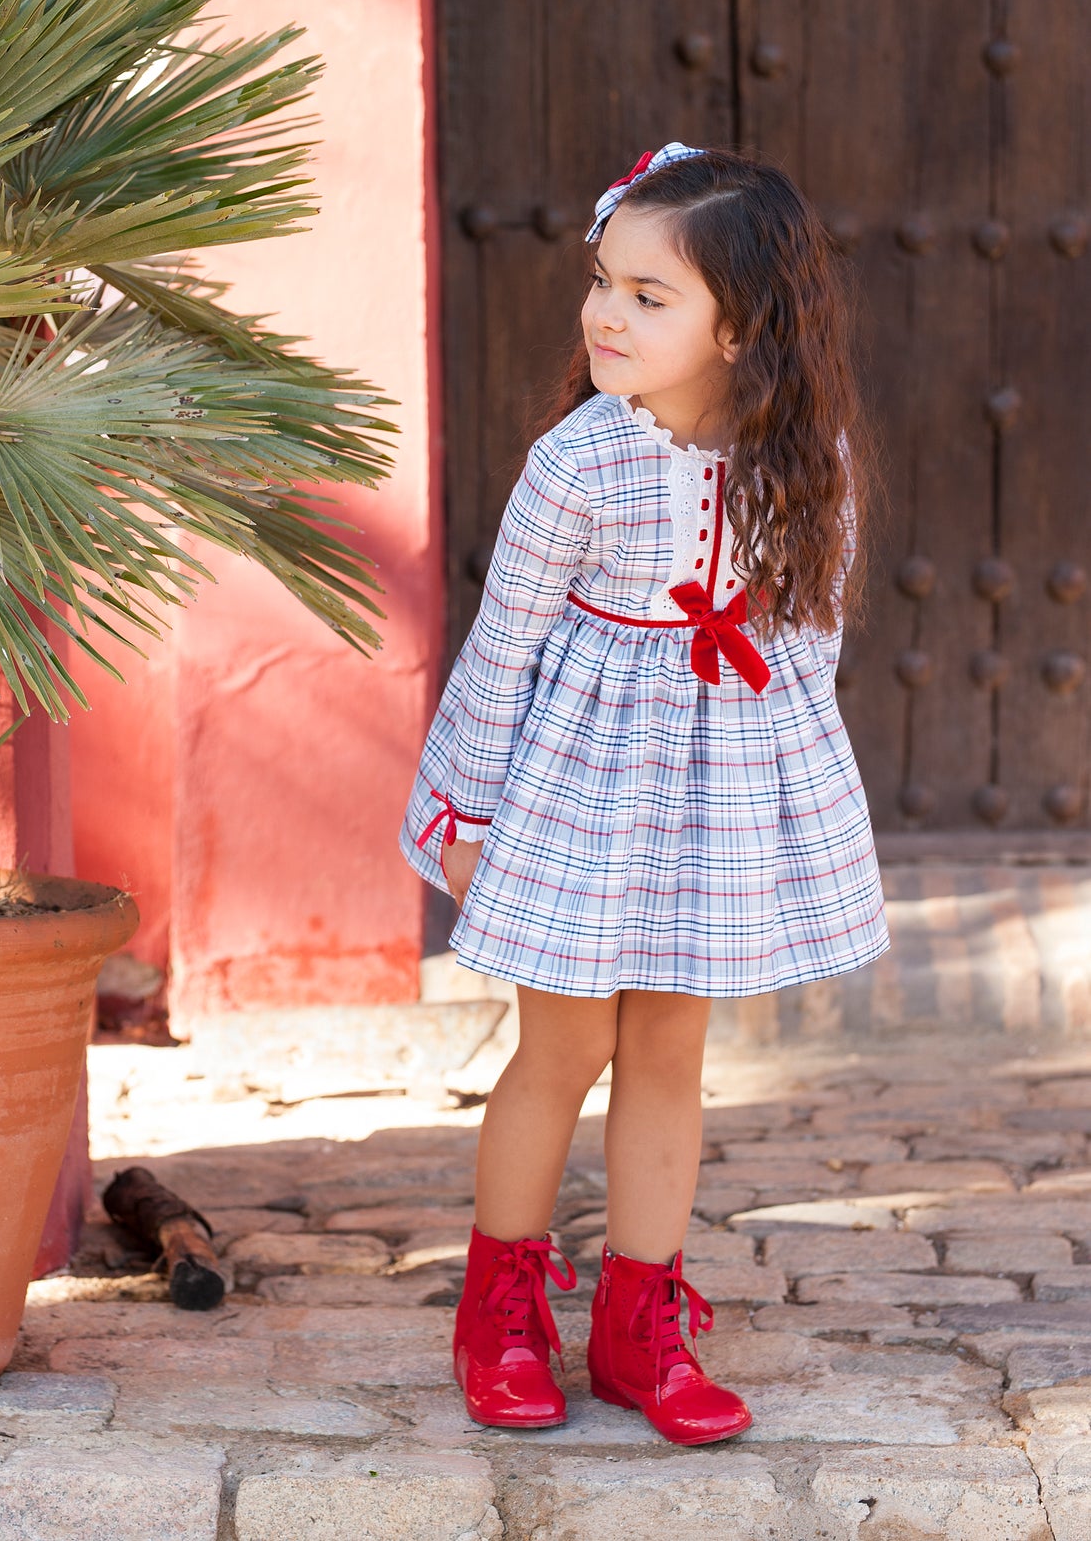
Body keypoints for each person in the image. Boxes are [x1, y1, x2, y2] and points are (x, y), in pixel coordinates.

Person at [401, 144, 888, 1443]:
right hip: (575, 791)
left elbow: (811, 646)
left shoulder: (808, 460)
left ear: (744, 330)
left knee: (670, 1053)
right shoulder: (581, 464)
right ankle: (497, 1314)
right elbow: (501, 647)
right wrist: (466, 812)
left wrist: (792, 812)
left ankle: (638, 1327)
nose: (606, 315)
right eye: (603, 283)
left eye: (649, 296)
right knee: (559, 1048)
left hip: (714, 801)